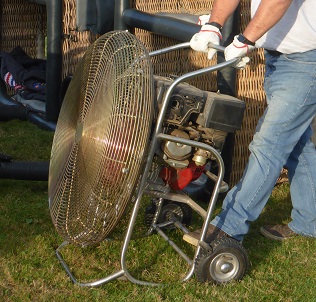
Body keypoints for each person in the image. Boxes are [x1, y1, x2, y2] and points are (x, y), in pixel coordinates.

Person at [184, 0, 316, 245]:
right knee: (297, 144)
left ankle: (229, 226)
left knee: (270, 145)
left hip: (307, 60)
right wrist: (214, 24)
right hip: (278, 57)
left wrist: (246, 39)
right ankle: (310, 222)